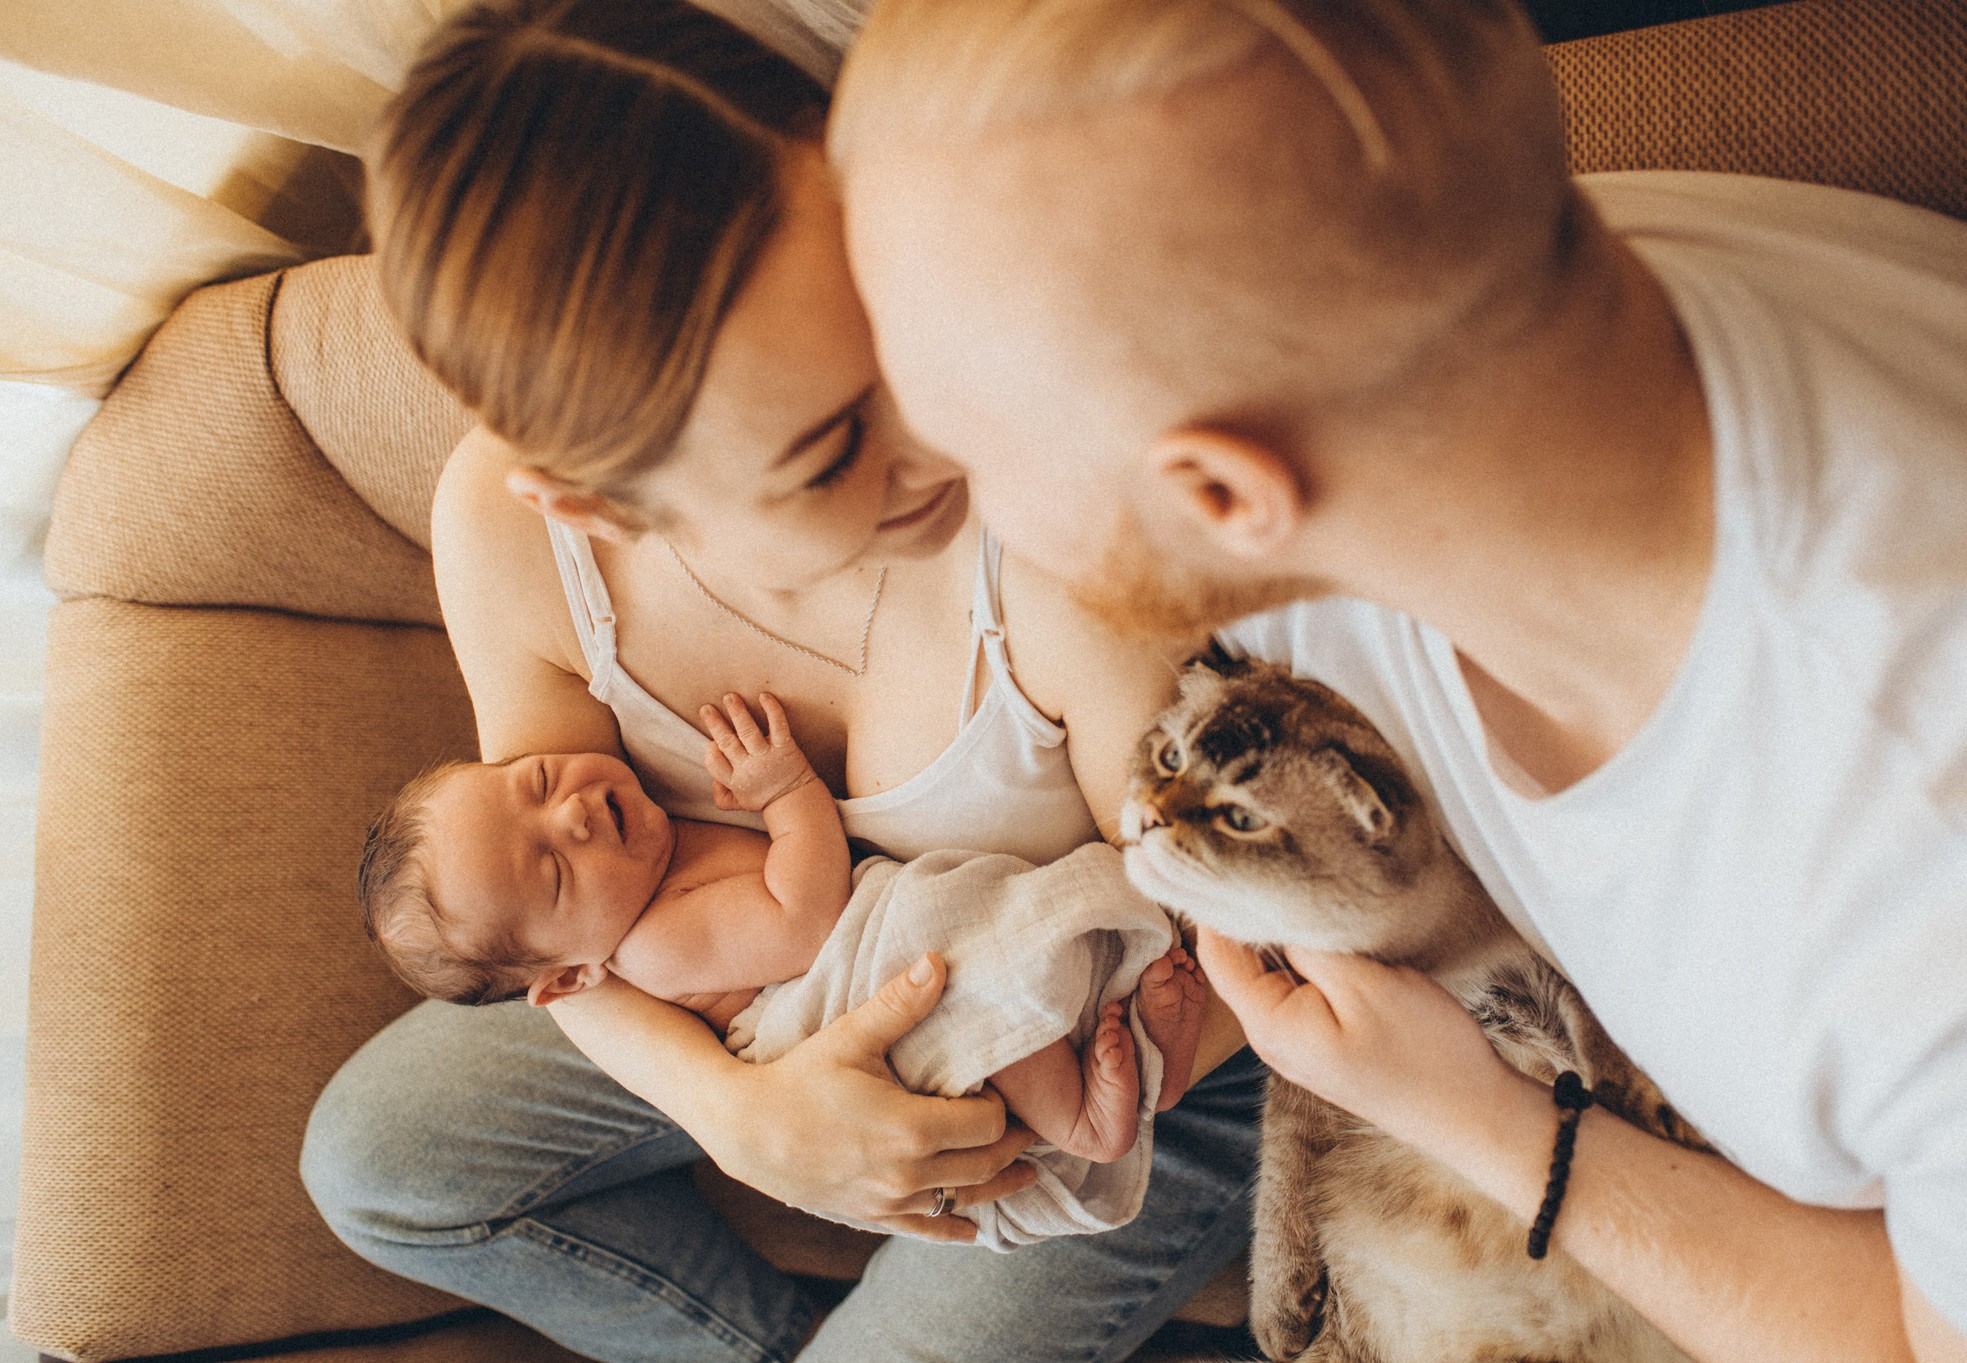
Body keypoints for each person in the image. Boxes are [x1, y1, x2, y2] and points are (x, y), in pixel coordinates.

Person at [826, 2, 1967, 1361]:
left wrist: (1485, 1122)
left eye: (965, 455)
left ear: (1227, 492)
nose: (920, 506)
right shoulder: (1465, 303)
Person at [299, 1, 1264, 1360]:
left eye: (888, 322)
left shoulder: (1040, 524)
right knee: (375, 1156)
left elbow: (1229, 946)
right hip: (772, 991)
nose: (937, 444)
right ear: (599, 504)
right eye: (824, 447)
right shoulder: (513, 537)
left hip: (1115, 1018)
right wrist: (746, 1115)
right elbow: (564, 949)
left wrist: (969, 1094)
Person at [358, 692, 1205, 1178]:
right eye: (551, 873)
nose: (571, 811)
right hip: (847, 987)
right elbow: (804, 921)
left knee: (984, 953)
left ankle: (1155, 1066)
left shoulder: (641, 869)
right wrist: (788, 791)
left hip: (862, 945)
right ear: (572, 979)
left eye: (534, 778)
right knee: (953, 977)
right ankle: (1084, 1124)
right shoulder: (655, 943)